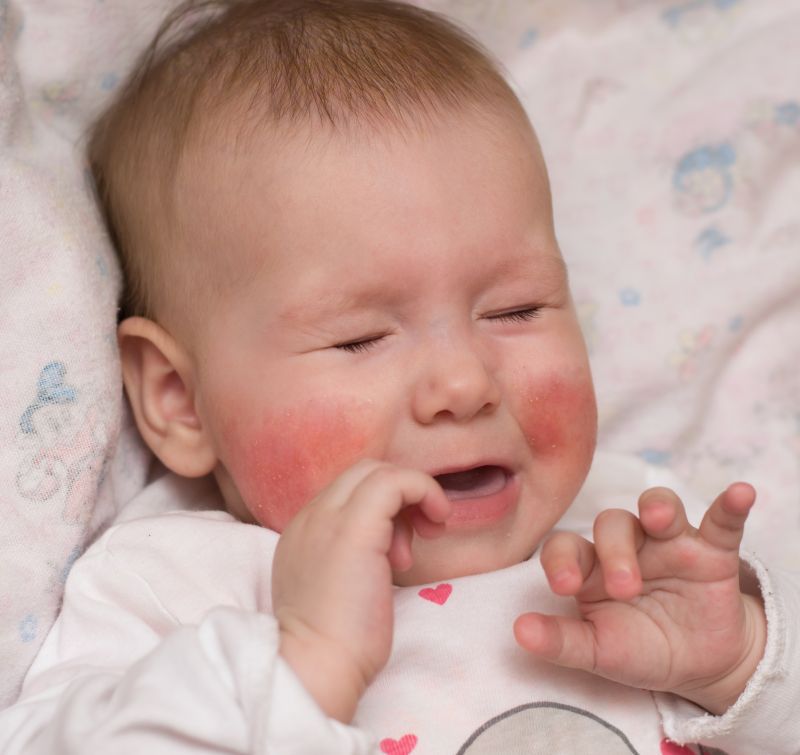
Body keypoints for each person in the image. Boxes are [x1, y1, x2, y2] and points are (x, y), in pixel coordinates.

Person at [2, 1, 798, 752]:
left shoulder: (632, 531)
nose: (464, 381)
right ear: (180, 401)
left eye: (515, 309)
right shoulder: (169, 584)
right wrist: (300, 665)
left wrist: (737, 665)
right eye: (360, 338)